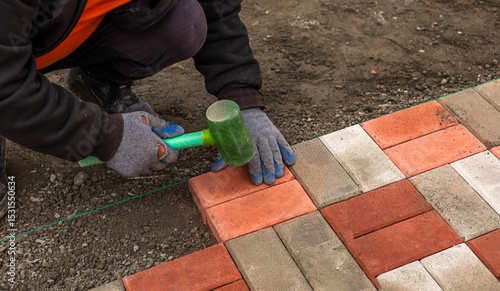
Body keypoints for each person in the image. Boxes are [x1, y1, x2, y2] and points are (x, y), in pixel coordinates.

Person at [0, 0, 295, 219]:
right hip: (11, 46)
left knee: (183, 22)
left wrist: (240, 95)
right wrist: (104, 136)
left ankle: (96, 82)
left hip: (57, 29)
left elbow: (217, 4)